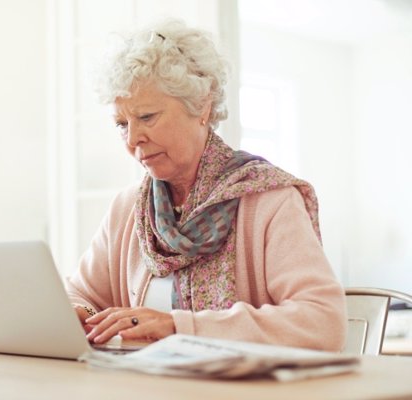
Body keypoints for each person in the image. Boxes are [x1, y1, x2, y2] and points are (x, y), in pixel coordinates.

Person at [65, 19, 347, 351]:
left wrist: (178, 327)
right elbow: (78, 293)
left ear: (202, 106)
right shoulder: (128, 209)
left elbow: (322, 322)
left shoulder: (270, 199)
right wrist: (79, 313)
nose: (133, 138)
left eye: (147, 117)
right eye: (121, 123)